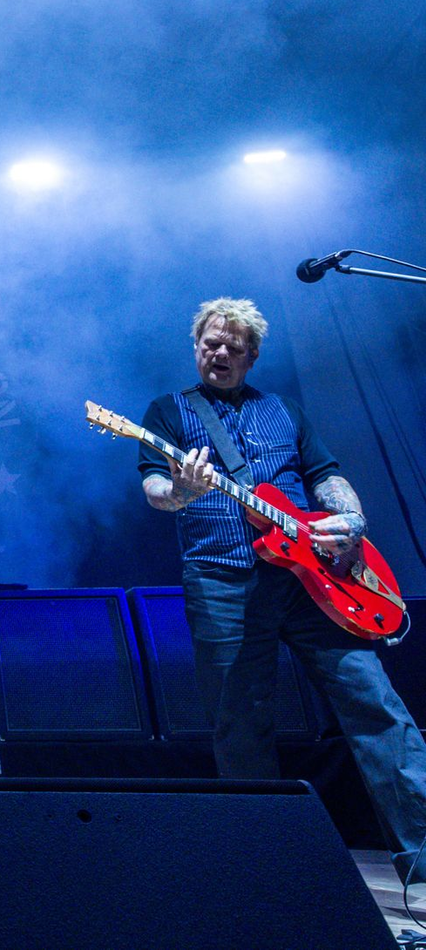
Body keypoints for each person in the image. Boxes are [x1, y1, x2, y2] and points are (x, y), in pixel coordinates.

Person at [138, 296, 426, 884]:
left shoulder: (283, 410)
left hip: (312, 580)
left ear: (252, 355)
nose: (218, 353)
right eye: (209, 344)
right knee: (241, 724)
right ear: (196, 347)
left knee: (375, 706)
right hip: (222, 579)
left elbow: (327, 475)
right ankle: (270, 873)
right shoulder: (167, 411)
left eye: (231, 347)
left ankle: (423, 860)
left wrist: (350, 523)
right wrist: (184, 493)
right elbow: (155, 489)